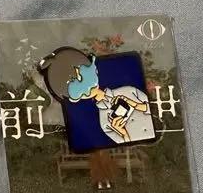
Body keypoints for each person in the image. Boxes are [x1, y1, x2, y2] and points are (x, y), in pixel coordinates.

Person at [38, 47, 155, 175]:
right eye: (76, 85)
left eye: (82, 74)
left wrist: (134, 104)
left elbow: (151, 111)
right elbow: (129, 144)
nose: (88, 87)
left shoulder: (128, 91)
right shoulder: (105, 122)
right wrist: (123, 132)